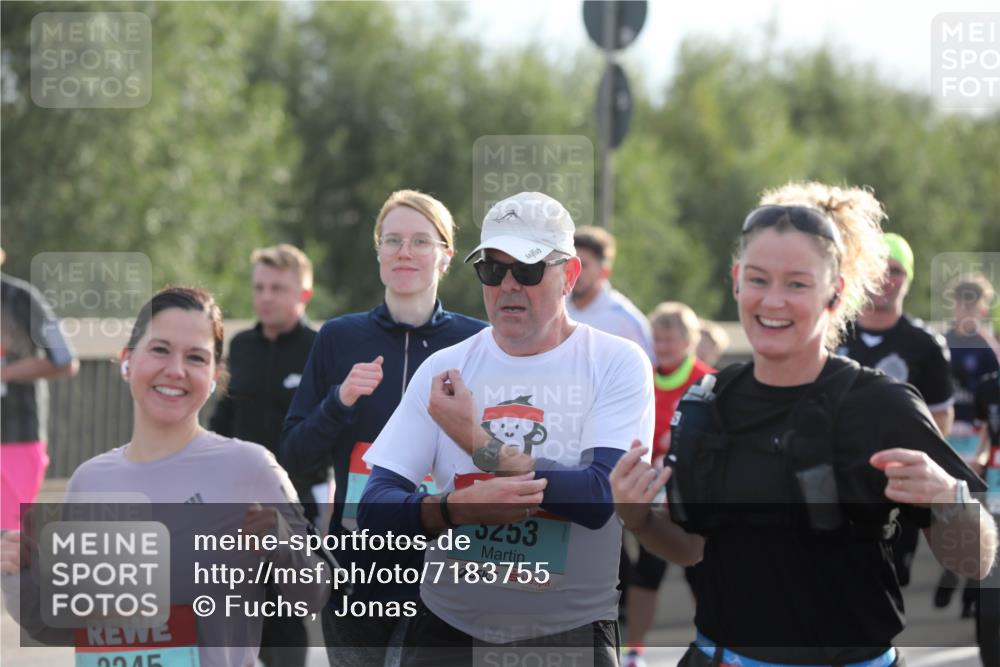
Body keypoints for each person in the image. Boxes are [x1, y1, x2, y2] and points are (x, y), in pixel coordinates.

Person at [611, 182, 997, 667]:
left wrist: (949, 497)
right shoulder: (709, 401)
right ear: (735, 280)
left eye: (797, 283)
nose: (773, 301)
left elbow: (974, 561)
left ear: (835, 294)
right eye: (758, 279)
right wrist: (638, 518)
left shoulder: (881, 405)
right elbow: (692, 549)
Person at [358, 191, 655, 666]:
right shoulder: (448, 367)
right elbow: (374, 509)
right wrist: (454, 510)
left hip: (568, 635)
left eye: (529, 269)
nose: (509, 285)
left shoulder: (615, 362)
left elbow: (601, 496)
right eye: (493, 270)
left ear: (570, 276)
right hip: (447, 633)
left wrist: (478, 444)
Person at [1, 286, 332, 667]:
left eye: (196, 357)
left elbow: (315, 593)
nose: (175, 370)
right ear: (127, 360)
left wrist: (281, 542)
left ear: (214, 376)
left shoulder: (250, 467)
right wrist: (17, 574)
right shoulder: (90, 482)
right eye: (160, 349)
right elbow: (76, 625)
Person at [279, 190, 485, 666]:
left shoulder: (475, 342)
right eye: (392, 241)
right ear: (378, 253)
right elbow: (292, 456)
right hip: (358, 571)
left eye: (419, 241)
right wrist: (340, 401)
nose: (404, 252)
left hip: (449, 569)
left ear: (445, 255)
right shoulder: (339, 337)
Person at [209, 244, 319, 667]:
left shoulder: (319, 348)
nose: (266, 296)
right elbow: (225, 414)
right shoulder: (241, 346)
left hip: (297, 502)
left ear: (303, 294)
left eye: (277, 287)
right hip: (236, 503)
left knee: (286, 615)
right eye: (259, 287)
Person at [838, 231, 956, 586]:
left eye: (895, 270)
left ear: (908, 278)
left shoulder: (925, 345)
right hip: (834, 481)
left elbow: (940, 417)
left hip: (895, 489)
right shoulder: (831, 333)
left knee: (887, 581)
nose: (885, 278)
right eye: (876, 268)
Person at [623, 302, 714, 667]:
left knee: (703, 574)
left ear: (689, 340)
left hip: (696, 498)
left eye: (669, 338)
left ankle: (713, 644)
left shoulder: (710, 381)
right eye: (656, 338)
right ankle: (633, 653)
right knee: (647, 574)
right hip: (654, 495)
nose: (661, 345)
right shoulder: (641, 376)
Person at [935, 274, 1000, 617]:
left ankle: (973, 589)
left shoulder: (989, 351)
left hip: (976, 439)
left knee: (976, 510)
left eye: (973, 304)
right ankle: (950, 568)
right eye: (962, 302)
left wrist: (985, 450)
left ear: (983, 308)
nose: (966, 310)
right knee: (947, 508)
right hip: (947, 435)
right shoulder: (941, 343)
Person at [1, 248, 79, 531]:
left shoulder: (20, 298)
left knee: (6, 541)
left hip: (15, 438)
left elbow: (64, 359)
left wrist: (5, 373)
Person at [566, 225, 654, 360]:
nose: (575, 271)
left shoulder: (626, 319)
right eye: (571, 263)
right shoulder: (552, 307)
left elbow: (648, 369)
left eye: (583, 265)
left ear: (604, 272)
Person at [974, 368, 1000, 667]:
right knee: (990, 602)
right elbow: (984, 432)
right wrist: (979, 460)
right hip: (994, 490)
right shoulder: (989, 387)